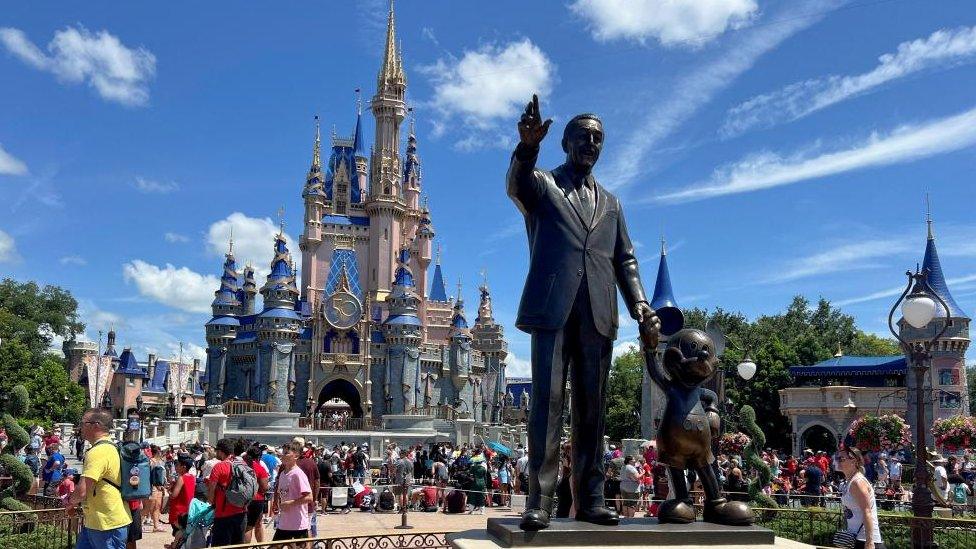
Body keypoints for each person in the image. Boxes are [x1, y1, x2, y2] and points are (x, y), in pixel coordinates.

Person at [508, 94, 659, 530]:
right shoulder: (543, 186)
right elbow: (515, 185)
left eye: (598, 139)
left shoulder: (612, 203)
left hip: (598, 313)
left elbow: (624, 260)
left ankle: (591, 498)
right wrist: (527, 147)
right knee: (548, 403)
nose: (591, 144)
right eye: (583, 137)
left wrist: (640, 305)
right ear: (566, 143)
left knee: (593, 408)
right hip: (552, 311)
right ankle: (540, 499)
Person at [67, 408, 131, 549]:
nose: (80, 427)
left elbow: (83, 490)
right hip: (98, 521)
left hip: (106, 524)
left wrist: (70, 502)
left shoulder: (98, 452)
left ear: (96, 425)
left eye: (83, 423)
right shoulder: (110, 447)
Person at [836, 447, 884, 549]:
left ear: (853, 460)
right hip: (854, 538)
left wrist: (870, 542)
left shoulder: (857, 482)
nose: (838, 461)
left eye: (842, 458)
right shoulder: (849, 482)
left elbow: (867, 512)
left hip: (864, 540)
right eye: (837, 458)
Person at [206, 438, 248, 547]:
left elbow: (211, 490)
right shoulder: (242, 464)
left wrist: (211, 502)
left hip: (223, 514)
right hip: (241, 512)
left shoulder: (219, 466)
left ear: (220, 451)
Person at [272, 441, 313, 544]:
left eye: (286, 453)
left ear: (296, 456)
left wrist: (290, 503)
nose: (283, 455)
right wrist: (276, 503)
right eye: (283, 452)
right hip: (284, 523)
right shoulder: (282, 474)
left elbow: (309, 497)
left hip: (298, 524)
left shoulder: (298, 474)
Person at [243, 446, 270, 543]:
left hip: (243, 499)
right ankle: (260, 545)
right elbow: (264, 487)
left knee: (247, 526)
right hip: (257, 499)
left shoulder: (242, 466)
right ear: (259, 457)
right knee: (252, 526)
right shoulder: (260, 468)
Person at [169, 457, 196, 539]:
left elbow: (174, 495)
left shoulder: (181, 478)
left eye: (177, 465)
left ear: (183, 467)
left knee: (178, 532)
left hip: (178, 511)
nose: (176, 467)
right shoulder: (192, 477)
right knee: (184, 532)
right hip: (188, 510)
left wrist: (168, 491)